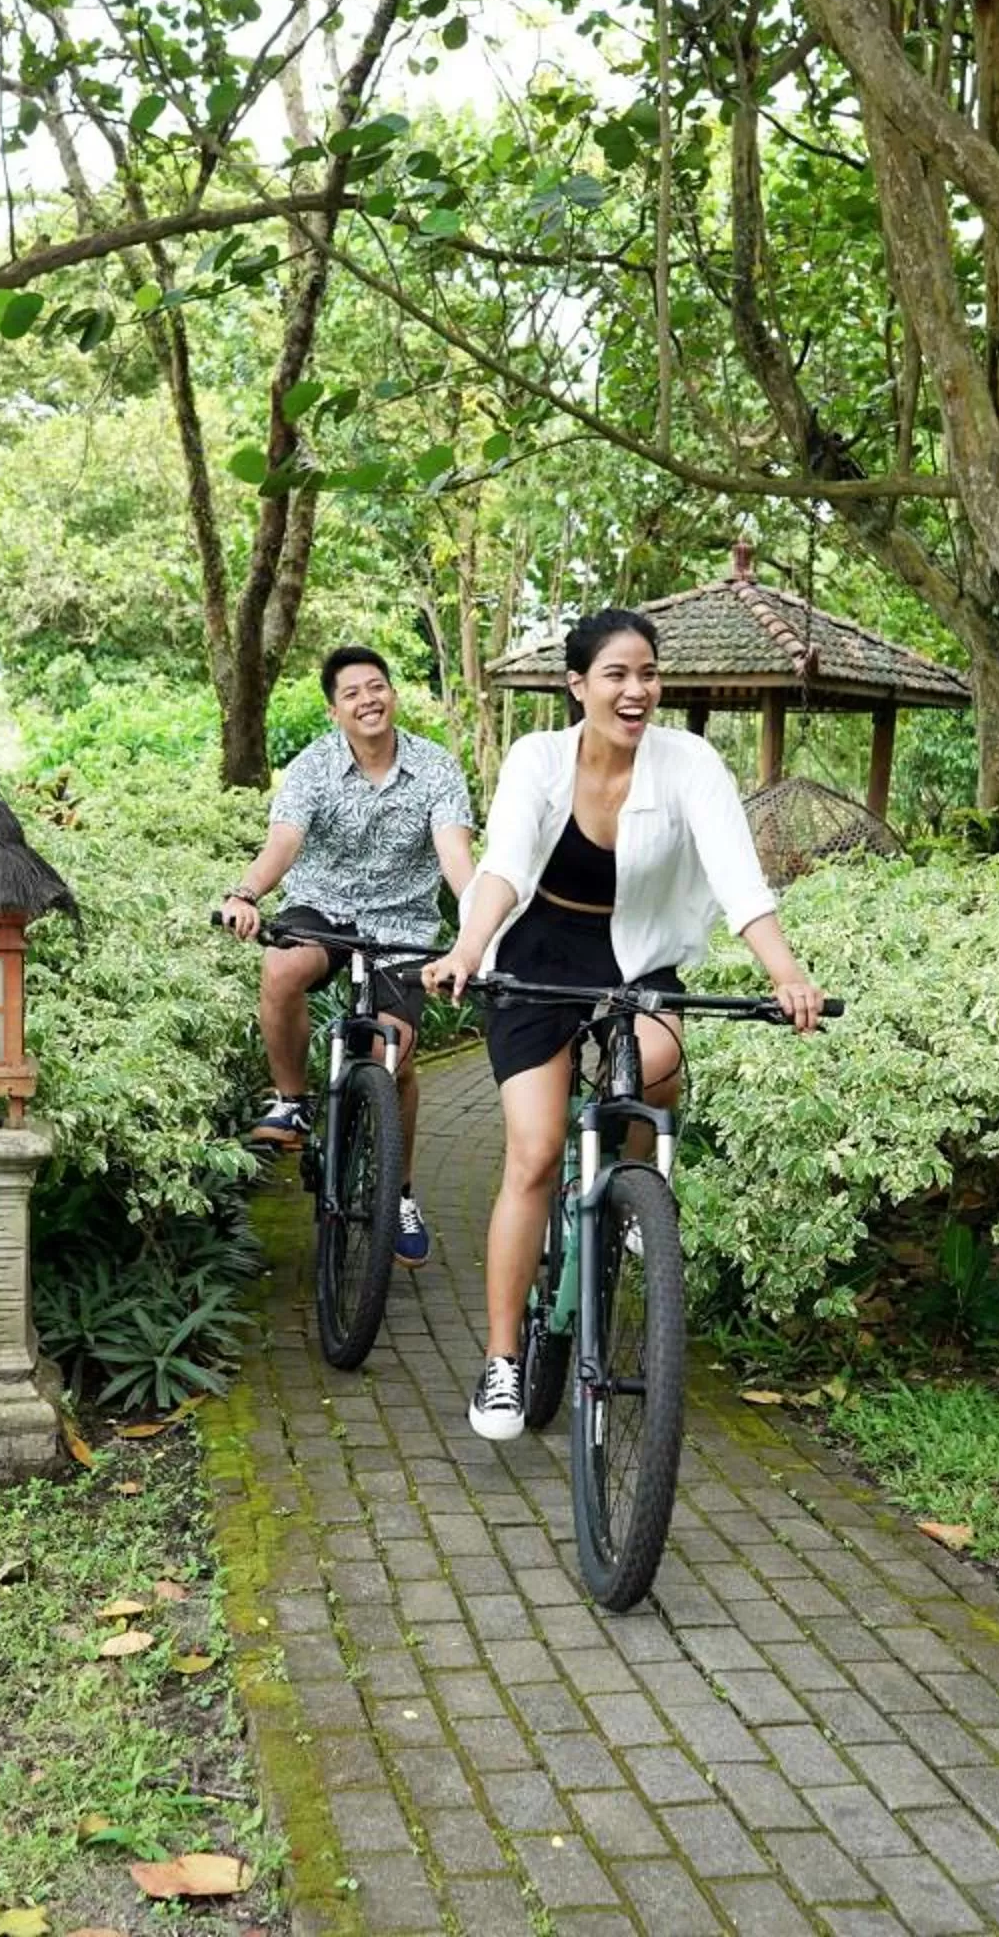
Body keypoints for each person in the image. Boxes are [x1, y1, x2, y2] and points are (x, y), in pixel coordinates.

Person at [421, 609, 825, 1440]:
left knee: (659, 1063)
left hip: (635, 962)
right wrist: (467, 949)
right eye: (616, 675)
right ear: (579, 686)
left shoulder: (690, 764)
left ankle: (628, 1199)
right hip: (536, 959)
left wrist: (785, 973)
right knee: (533, 1154)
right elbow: (500, 868)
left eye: (647, 674)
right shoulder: (539, 760)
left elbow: (737, 873)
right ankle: (502, 1362)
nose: (636, 690)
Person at [216, 645, 476, 1264]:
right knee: (282, 966)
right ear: (334, 710)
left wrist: (482, 927)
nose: (368, 699)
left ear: (393, 695)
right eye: (353, 693)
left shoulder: (437, 768)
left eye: (377, 686)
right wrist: (246, 893)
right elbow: (284, 842)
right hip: (323, 911)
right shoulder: (311, 767)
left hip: (402, 927)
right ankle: (292, 1102)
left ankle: (401, 1192)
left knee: (396, 1055)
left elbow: (457, 860)